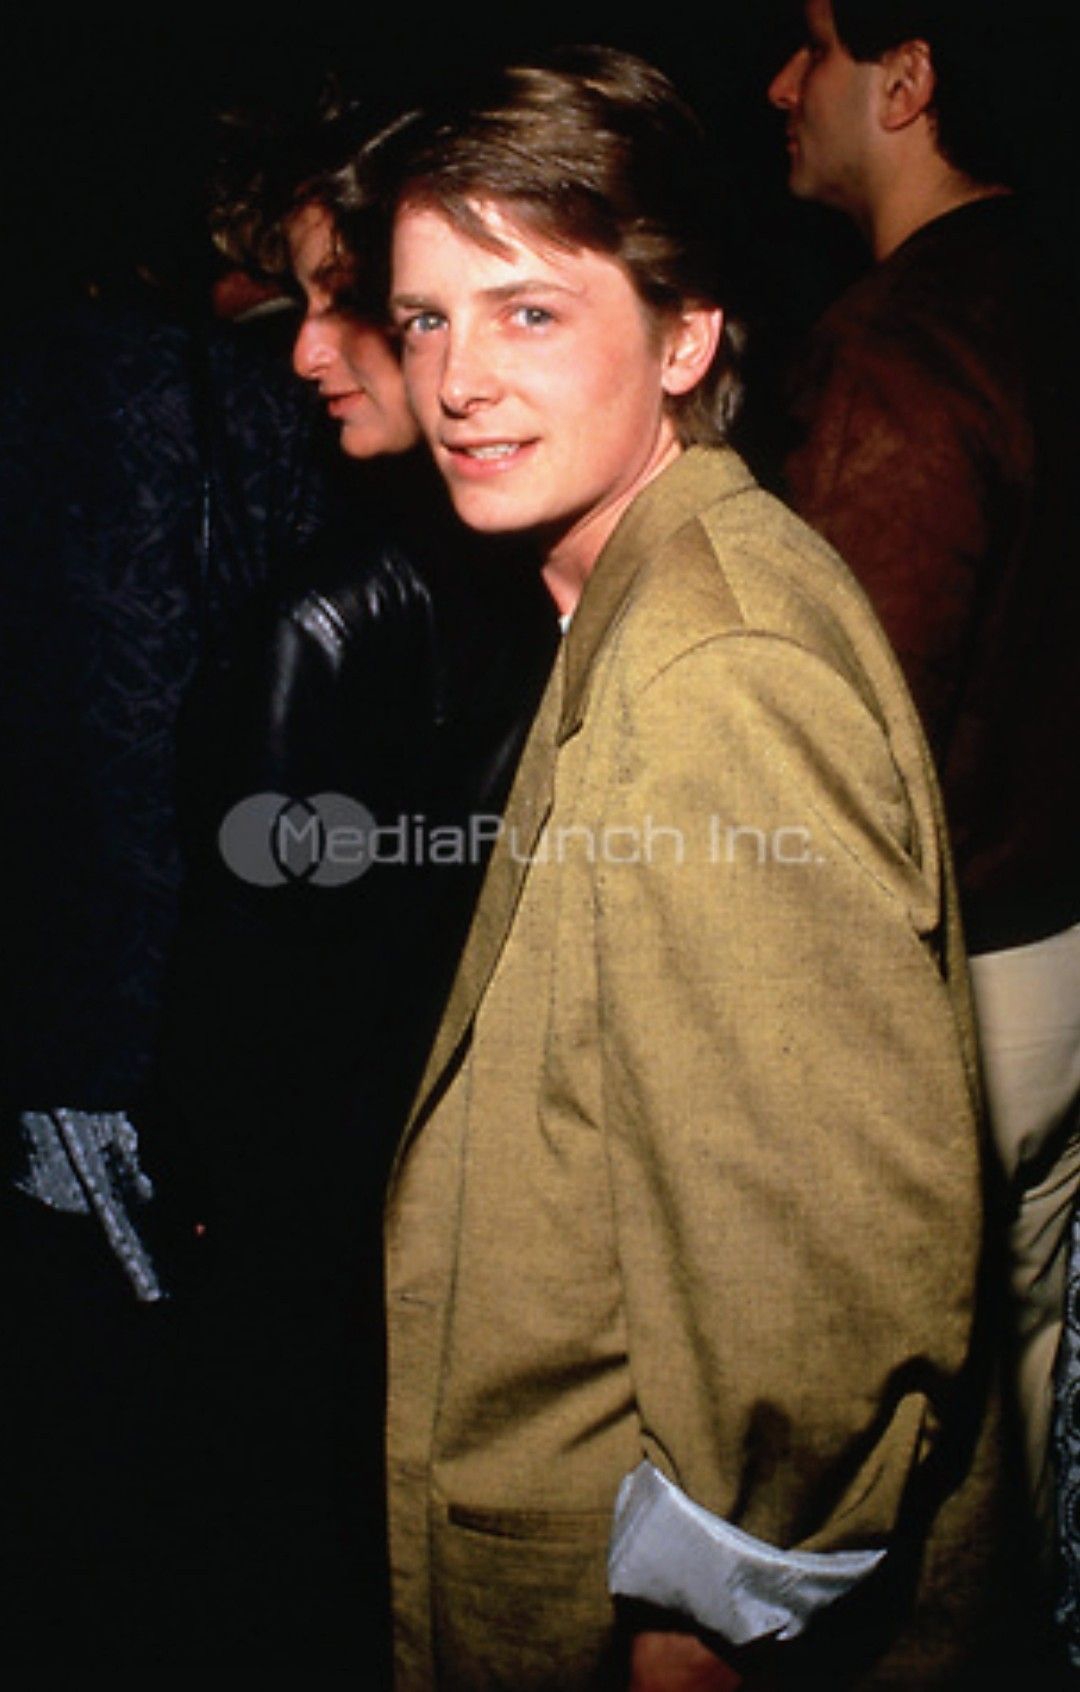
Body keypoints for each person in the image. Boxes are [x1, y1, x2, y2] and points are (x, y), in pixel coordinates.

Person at [343, 42, 1019, 1689]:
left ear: (685, 337)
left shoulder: (715, 670)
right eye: (425, 318)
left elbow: (826, 1265)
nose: (456, 380)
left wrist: (715, 1604)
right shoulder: (649, 578)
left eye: (528, 311)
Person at [152, 119, 558, 1680]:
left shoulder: (331, 616)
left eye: (356, 303)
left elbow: (245, 992)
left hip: (333, 1236)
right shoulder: (525, 567)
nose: (310, 350)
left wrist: (202, 1180)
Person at [767, 0, 1080, 1582]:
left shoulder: (903, 345)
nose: (782, 82)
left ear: (908, 82)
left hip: (950, 978)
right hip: (1062, 952)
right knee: (1029, 1384)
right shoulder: (1046, 288)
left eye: (813, 44)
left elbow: (847, 742)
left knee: (882, 1437)